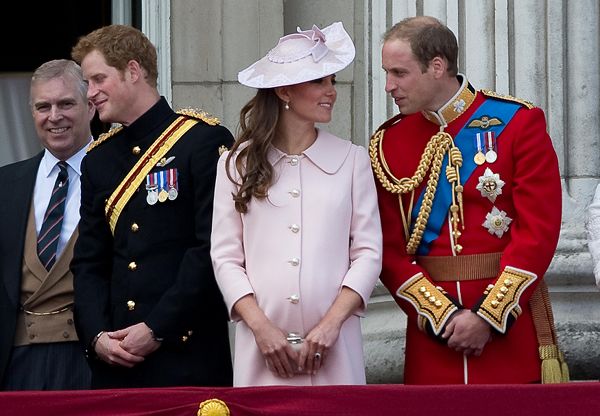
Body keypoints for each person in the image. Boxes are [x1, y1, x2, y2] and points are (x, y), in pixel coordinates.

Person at [370, 16, 567, 384]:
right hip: (434, 337)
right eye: (387, 73)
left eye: (399, 73)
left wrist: (488, 317)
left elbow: (537, 233)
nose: (388, 86)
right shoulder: (388, 143)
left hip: (506, 328)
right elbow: (387, 248)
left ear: (437, 66)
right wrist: (442, 317)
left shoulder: (516, 123)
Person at [210, 22, 382, 387]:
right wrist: (261, 328)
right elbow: (225, 257)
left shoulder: (353, 160)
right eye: (319, 81)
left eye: (332, 81)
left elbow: (367, 253)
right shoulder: (235, 164)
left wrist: (331, 324)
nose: (331, 92)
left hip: (335, 347)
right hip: (262, 349)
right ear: (285, 90)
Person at [70, 24, 234, 388]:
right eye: (88, 83)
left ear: (133, 70)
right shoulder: (99, 160)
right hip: (116, 364)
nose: (91, 93)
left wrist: (157, 328)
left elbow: (210, 250)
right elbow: (89, 263)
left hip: (186, 356)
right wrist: (97, 336)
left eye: (98, 79)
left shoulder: (202, 141)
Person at [0, 59, 94, 390]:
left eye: (66, 103)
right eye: (43, 106)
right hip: (15, 366)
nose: (54, 116)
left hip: (92, 360)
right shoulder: (6, 183)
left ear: (91, 106)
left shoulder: (120, 176)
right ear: (32, 112)